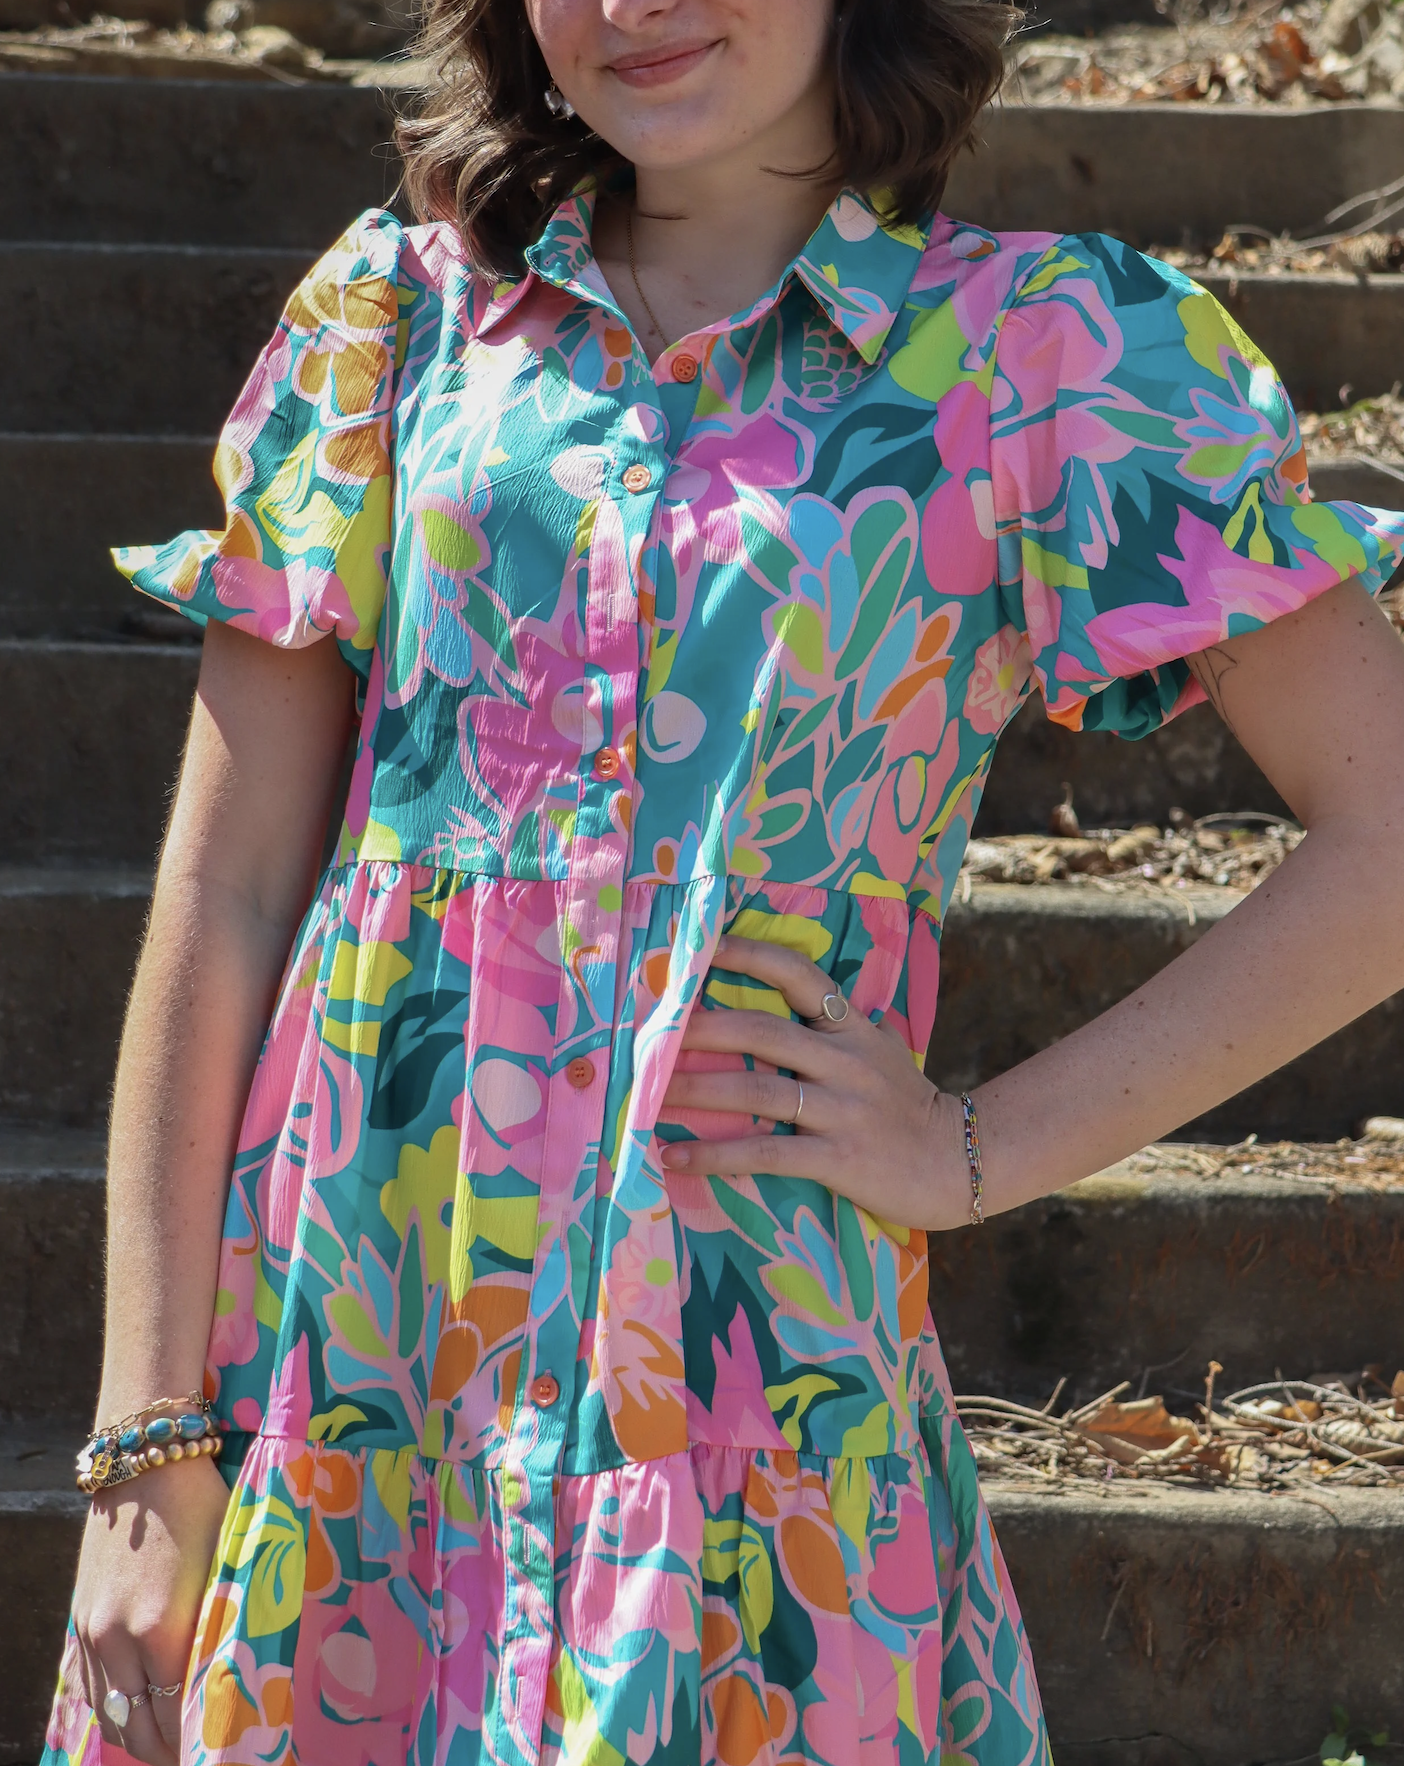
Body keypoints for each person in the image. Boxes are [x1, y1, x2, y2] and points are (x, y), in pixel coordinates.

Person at [42, 0, 1404, 1761]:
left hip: (754, 1391)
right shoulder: (390, 321)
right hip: (352, 1379)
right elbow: (225, 897)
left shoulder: (1047, 352)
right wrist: (146, 1445)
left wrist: (978, 1147)